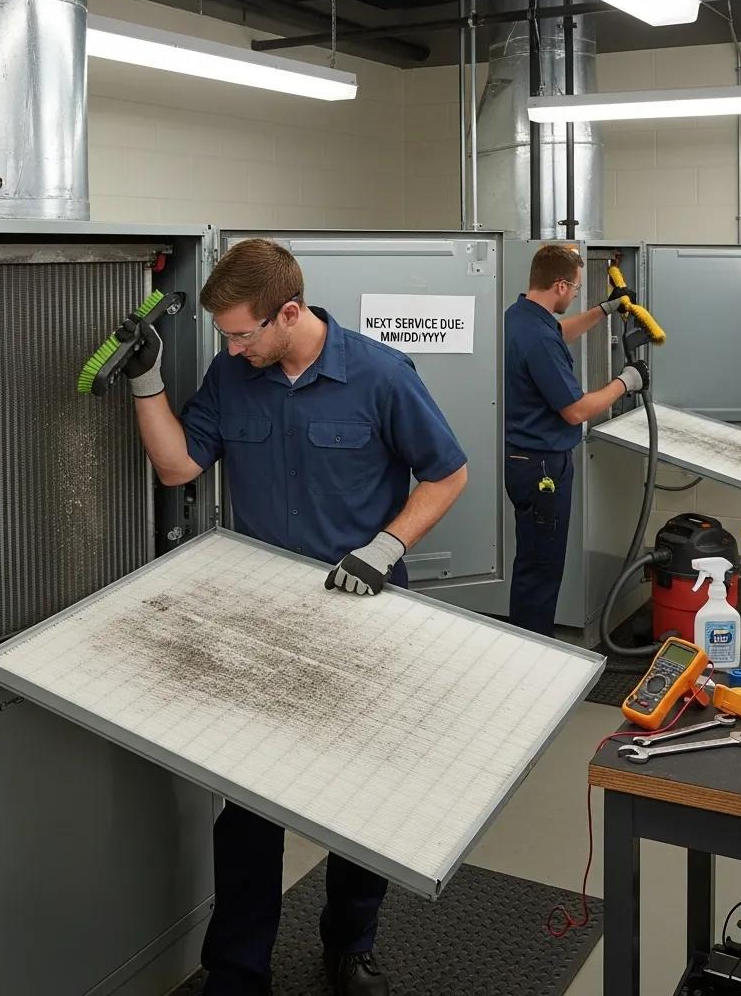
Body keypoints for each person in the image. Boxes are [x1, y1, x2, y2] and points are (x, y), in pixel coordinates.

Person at [119, 238, 469, 996]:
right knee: (248, 810)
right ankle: (238, 969)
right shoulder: (231, 376)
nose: (234, 348)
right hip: (262, 622)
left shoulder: (379, 373)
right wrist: (147, 383)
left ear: (289, 312)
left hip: (365, 611)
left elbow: (449, 471)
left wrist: (387, 544)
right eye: (227, 336)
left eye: (244, 333)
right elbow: (180, 466)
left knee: (361, 800)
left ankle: (350, 946)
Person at [503, 243, 648, 637]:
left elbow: (559, 332)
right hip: (542, 467)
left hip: (523, 461)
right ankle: (533, 653)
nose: (577, 294)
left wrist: (604, 310)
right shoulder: (537, 337)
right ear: (561, 285)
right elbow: (577, 410)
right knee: (542, 569)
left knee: (533, 561)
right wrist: (625, 382)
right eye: (578, 288)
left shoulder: (520, 317)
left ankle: (526, 641)